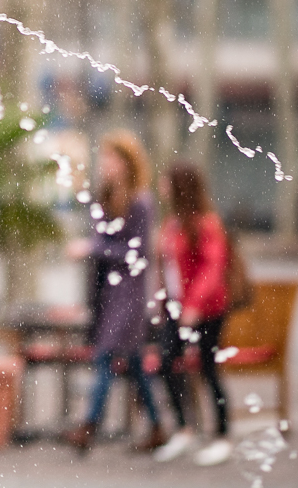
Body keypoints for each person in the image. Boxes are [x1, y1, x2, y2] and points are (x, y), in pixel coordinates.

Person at [63, 131, 164, 452]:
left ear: (127, 163)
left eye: (112, 158)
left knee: (105, 355)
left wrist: (94, 248)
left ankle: (89, 425)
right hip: (106, 293)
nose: (106, 165)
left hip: (130, 293)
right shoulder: (104, 199)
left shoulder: (141, 203)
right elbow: (104, 242)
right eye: (104, 158)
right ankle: (158, 424)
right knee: (133, 362)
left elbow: (137, 253)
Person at [152, 163, 233, 466]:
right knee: (166, 362)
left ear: (179, 185)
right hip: (176, 309)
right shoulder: (172, 222)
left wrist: (195, 305)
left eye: (166, 180)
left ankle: (222, 434)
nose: (161, 184)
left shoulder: (206, 223)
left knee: (209, 369)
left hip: (207, 310)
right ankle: (184, 429)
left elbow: (213, 267)